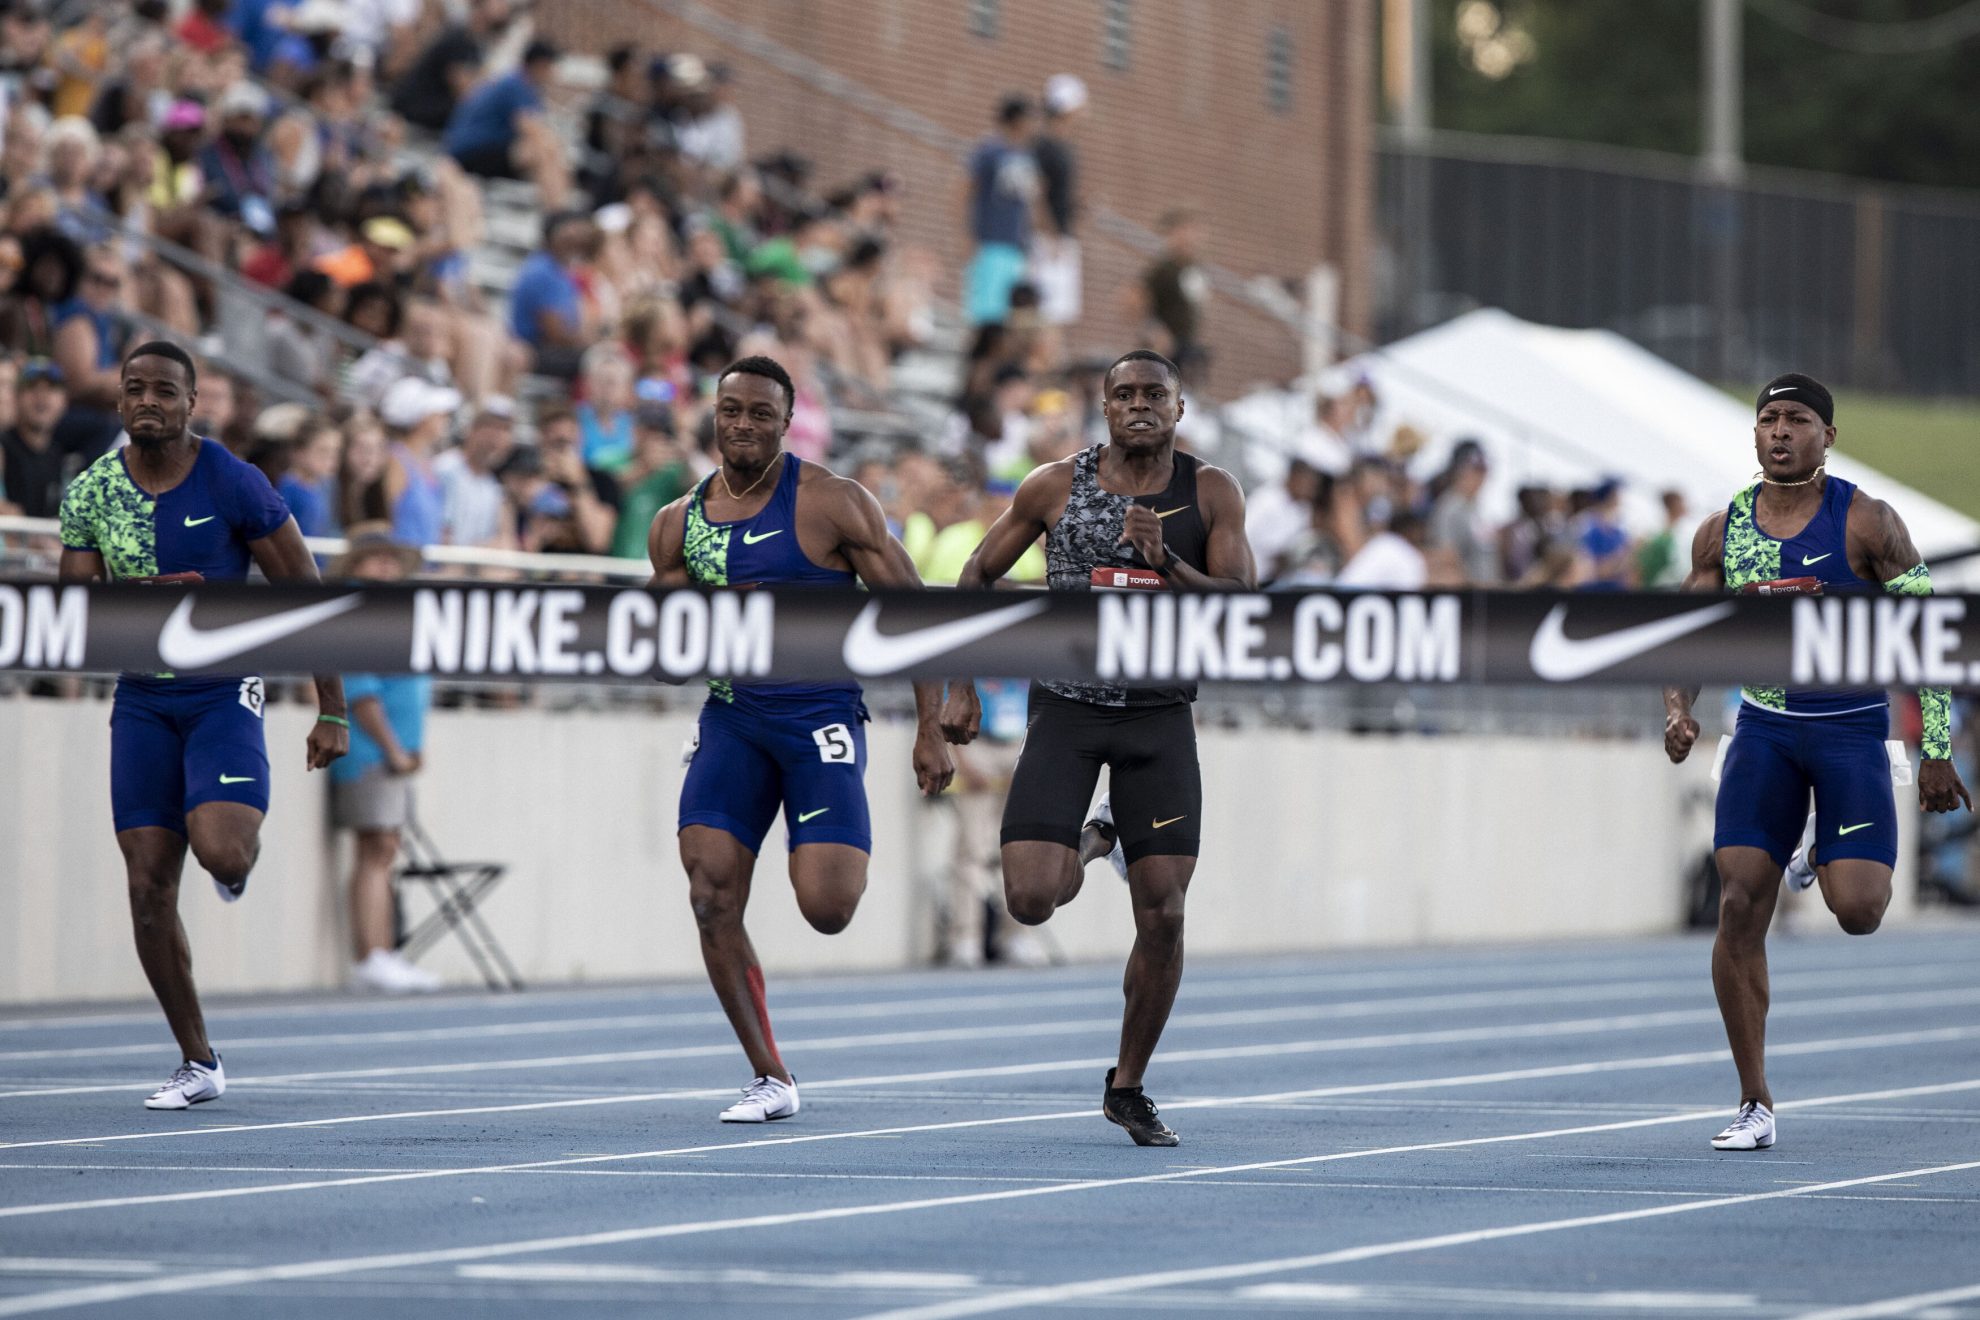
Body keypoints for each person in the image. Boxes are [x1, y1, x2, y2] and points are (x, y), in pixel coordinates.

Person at [940, 350, 1256, 1146]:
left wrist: (1166, 561)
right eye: (1124, 395)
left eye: (1156, 395)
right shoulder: (1053, 485)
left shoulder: (1209, 491)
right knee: (1030, 899)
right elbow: (976, 575)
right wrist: (962, 685)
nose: (1139, 406)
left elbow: (1243, 606)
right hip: (1070, 710)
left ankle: (1128, 1085)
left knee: (1165, 913)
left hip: (1157, 716)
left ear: (1180, 408)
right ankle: (1097, 836)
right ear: (1103, 406)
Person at [1663, 373, 1971, 1152]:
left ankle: (1819, 851)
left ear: (1826, 436)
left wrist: (1937, 746)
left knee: (1861, 911)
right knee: (1738, 903)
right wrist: (1678, 707)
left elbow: (1932, 632)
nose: (1779, 431)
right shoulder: (1722, 530)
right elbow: (1689, 632)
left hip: (1851, 730)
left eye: (1797, 419)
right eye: (1768, 419)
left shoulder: (1867, 521)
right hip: (1764, 729)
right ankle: (1754, 1102)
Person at [645, 354, 954, 1124]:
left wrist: (929, 726)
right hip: (733, 719)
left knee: (828, 907)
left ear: (787, 424)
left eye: (759, 413)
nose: (743, 424)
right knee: (711, 894)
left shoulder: (832, 504)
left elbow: (911, 610)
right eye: (730, 411)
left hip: (819, 717)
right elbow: (662, 645)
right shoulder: (676, 525)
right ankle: (769, 1076)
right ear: (712, 417)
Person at [57, 341, 348, 1109]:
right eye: (133, 389)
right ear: (119, 401)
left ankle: (235, 868)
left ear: (192, 404)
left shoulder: (233, 480)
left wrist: (332, 706)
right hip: (143, 701)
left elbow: (304, 590)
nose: (147, 400)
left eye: (164, 391)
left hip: (221, 691)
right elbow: (71, 615)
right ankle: (198, 1061)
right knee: (149, 886)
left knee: (219, 851)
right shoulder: (90, 494)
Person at [328, 523, 440, 994]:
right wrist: (394, 749)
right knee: (375, 849)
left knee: (385, 849)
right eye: (376, 558)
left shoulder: (388, 613)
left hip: (393, 755)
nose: (386, 566)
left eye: (391, 559)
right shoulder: (357, 613)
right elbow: (361, 690)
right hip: (373, 754)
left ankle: (383, 951)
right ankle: (371, 954)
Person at [441, 38, 569, 208]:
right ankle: (557, 208)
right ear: (541, 65)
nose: (554, 73)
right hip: (469, 154)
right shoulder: (516, 84)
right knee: (543, 148)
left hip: (485, 151)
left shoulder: (517, 83)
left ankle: (557, 203)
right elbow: (531, 128)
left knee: (545, 148)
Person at [962, 94, 1040, 327]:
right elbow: (964, 190)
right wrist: (967, 235)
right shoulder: (989, 151)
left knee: (1011, 312)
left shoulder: (1026, 156)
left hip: (1016, 243)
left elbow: (1028, 202)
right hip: (990, 240)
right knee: (987, 311)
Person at [1031, 73, 1085, 327]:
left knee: (1060, 312)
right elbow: (1037, 191)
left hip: (1061, 236)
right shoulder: (1044, 146)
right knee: (1045, 307)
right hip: (1048, 239)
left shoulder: (1066, 147)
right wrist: (1049, 231)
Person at [0, 357, 69, 517]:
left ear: (64, 400)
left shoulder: (58, 457)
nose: (41, 397)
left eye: (51, 388)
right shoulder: (3, 447)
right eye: (32, 388)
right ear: (16, 397)